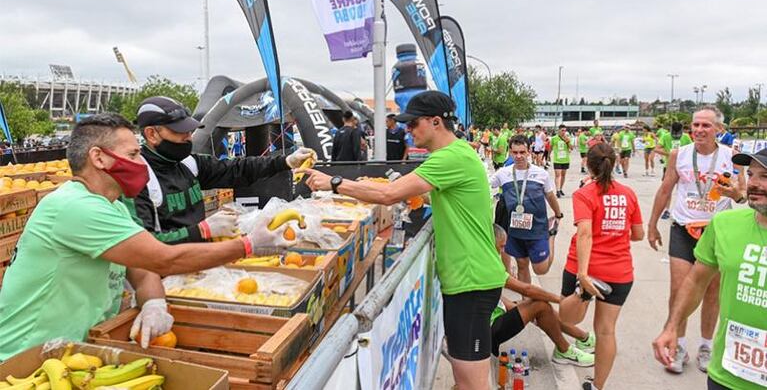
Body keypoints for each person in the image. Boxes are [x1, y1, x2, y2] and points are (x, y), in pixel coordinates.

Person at [0, 114, 290, 359]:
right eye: (132, 155)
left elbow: (142, 268)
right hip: (27, 357)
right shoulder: (75, 206)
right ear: (99, 158)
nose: (141, 163)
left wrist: (153, 303)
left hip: (74, 349)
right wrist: (249, 245)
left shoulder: (111, 206)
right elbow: (163, 259)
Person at [302, 91, 509, 390]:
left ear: (436, 122)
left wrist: (334, 183)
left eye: (413, 124)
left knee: (472, 383)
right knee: (465, 379)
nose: (408, 131)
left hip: (472, 282)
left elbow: (390, 194)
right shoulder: (455, 155)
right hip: (467, 280)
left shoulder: (451, 158)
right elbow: (421, 192)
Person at [652, 147, 767, 390]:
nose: (754, 183)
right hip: (726, 373)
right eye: (752, 175)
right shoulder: (725, 224)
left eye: (764, 176)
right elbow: (695, 282)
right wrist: (671, 327)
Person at [127, 96, 314, 245]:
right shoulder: (137, 180)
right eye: (179, 131)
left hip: (201, 260)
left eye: (189, 130)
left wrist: (286, 161)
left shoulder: (188, 163)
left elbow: (236, 169)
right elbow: (144, 244)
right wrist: (202, 231)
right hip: (166, 275)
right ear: (151, 134)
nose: (188, 137)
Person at [647, 106, 746, 374]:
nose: (699, 130)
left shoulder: (732, 157)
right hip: (683, 229)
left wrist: (736, 193)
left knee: (712, 292)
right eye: (696, 125)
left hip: (717, 231)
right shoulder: (680, 155)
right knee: (679, 290)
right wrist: (653, 224)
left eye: (706, 126)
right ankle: (677, 345)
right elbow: (665, 189)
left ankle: (705, 346)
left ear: (718, 130)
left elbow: (742, 195)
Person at [558, 143, 645, 390]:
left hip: (585, 267)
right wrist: (615, 232)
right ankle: (598, 386)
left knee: (565, 317)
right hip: (619, 270)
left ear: (588, 164)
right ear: (615, 163)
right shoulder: (628, 194)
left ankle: (582, 292)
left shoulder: (584, 194)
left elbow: (585, 233)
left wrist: (583, 274)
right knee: (606, 331)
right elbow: (638, 234)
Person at [489, 225, 594, 367]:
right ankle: (565, 350)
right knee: (540, 305)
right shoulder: (489, 266)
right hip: (487, 331)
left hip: (491, 315)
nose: (503, 252)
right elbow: (526, 289)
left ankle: (583, 337)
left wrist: (521, 309)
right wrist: (560, 300)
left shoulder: (484, 259)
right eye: (500, 247)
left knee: (537, 305)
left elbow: (496, 298)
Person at [490, 136, 564, 284]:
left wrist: (558, 214)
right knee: (522, 265)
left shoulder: (541, 173)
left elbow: (549, 195)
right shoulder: (502, 173)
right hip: (515, 229)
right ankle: (526, 301)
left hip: (537, 228)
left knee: (540, 269)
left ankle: (551, 237)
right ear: (510, 152)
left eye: (522, 152)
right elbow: (483, 185)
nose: (518, 156)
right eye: (515, 152)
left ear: (529, 152)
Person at [654, 122, 693, 219]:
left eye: (677, 134)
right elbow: (657, 149)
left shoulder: (686, 137)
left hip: (684, 167)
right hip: (669, 166)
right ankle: (666, 210)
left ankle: (685, 210)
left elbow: (693, 148)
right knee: (667, 189)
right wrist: (669, 154)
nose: (676, 136)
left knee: (685, 189)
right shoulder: (666, 136)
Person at [551, 125, 572, 197]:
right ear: (559, 130)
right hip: (557, 159)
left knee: (563, 175)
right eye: (562, 130)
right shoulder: (554, 138)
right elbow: (550, 148)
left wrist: (568, 142)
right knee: (557, 175)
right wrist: (548, 157)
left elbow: (571, 148)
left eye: (565, 130)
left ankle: (560, 188)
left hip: (565, 159)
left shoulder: (567, 138)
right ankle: (557, 191)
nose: (564, 132)